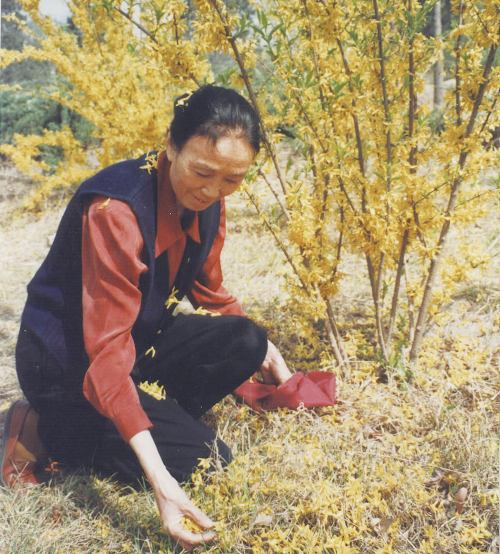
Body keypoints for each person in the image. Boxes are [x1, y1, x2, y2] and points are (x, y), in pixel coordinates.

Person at [1, 85, 293, 551]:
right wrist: (160, 482)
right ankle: (43, 428)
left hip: (135, 342)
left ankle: (138, 423)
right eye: (202, 172)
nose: (212, 190)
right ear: (171, 145)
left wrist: (267, 352)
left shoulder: (209, 199)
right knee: (204, 459)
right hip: (68, 363)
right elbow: (106, 351)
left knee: (246, 340)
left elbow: (209, 291)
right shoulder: (116, 210)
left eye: (232, 179)